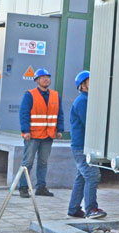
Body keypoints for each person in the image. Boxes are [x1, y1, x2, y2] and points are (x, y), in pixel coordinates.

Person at [18, 68, 64, 198]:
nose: (46, 79)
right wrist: (26, 131)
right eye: (43, 77)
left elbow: (59, 114)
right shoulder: (30, 95)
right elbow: (24, 114)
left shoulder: (55, 95)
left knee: (43, 162)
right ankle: (23, 187)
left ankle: (41, 187)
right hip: (32, 135)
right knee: (28, 162)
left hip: (48, 135)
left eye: (48, 77)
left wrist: (60, 129)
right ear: (37, 80)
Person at [67, 71, 106, 219]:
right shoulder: (83, 101)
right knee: (92, 175)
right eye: (89, 81)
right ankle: (91, 209)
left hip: (82, 145)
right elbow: (90, 123)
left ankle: (74, 209)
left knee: (82, 177)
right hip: (82, 147)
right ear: (83, 86)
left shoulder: (87, 99)